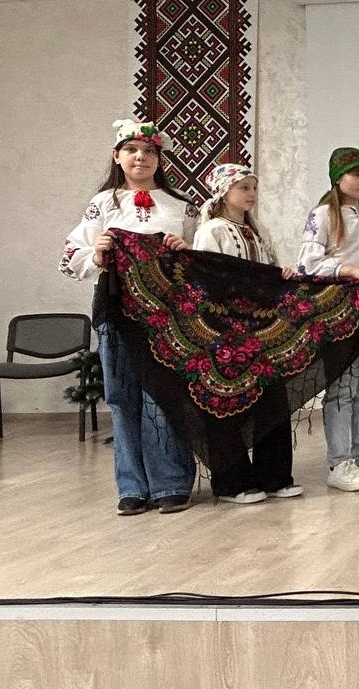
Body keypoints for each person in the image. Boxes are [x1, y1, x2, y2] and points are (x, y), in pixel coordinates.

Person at [60, 118, 198, 516]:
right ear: (117, 156)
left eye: (150, 151)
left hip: (167, 315)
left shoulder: (181, 207)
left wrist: (184, 250)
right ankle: (132, 486)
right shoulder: (103, 204)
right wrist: (98, 252)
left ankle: (170, 482)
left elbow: (204, 257)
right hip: (117, 311)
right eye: (132, 150)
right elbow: (70, 257)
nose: (141, 157)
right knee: (122, 396)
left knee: (164, 395)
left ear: (159, 158)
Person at [192, 162, 302, 505]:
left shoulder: (257, 232)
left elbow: (265, 275)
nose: (251, 194)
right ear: (224, 192)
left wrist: (280, 275)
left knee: (273, 401)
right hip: (226, 332)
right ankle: (232, 483)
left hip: (260, 330)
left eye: (254, 187)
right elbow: (207, 278)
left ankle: (274, 476)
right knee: (228, 404)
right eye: (244, 188)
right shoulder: (212, 231)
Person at [296, 147, 359, 494]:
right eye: (356, 174)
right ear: (338, 177)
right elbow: (307, 263)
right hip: (339, 308)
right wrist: (347, 269)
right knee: (343, 387)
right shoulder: (323, 215)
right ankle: (340, 460)